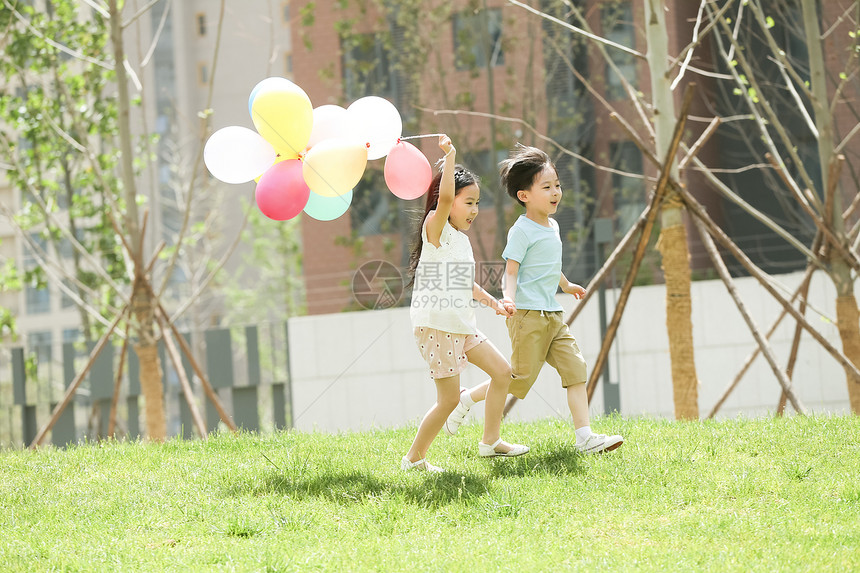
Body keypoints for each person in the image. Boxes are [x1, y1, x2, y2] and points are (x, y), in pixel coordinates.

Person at [483, 143, 624, 454]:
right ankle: (467, 397)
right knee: (518, 380)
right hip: (528, 315)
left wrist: (566, 283)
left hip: (553, 315)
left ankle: (585, 437)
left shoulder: (554, 225)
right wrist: (507, 298)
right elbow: (511, 271)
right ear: (524, 196)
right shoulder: (521, 231)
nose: (555, 192)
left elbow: (549, 265)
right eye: (546, 187)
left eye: (557, 185)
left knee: (576, 369)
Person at [402, 135, 529, 472]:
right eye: (468, 202)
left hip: (461, 324)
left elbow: (462, 281)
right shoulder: (436, 227)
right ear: (449, 203)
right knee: (447, 401)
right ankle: (413, 460)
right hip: (437, 326)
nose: (474, 210)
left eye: (477, 203)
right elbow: (442, 198)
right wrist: (451, 156)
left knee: (503, 372)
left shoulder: (459, 240)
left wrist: (493, 302)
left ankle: (490, 442)